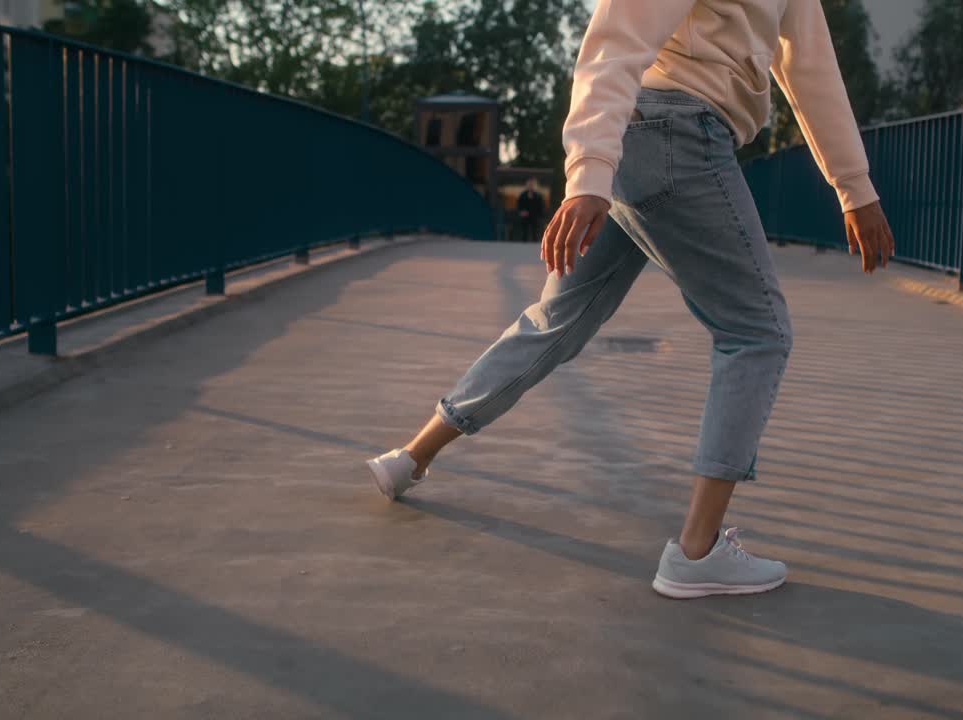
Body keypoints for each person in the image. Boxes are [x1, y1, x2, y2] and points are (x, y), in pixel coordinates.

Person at [367, 0, 895, 599]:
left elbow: (810, 70)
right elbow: (614, 38)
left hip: (643, 137)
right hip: (678, 134)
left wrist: (854, 187)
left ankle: (410, 458)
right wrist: (588, 172)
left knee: (556, 322)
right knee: (757, 331)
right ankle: (697, 552)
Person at [515, 178, 547, 243]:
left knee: (535, 231)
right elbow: (519, 205)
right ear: (526, 185)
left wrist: (540, 214)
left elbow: (540, 206)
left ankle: (534, 243)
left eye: (531, 185)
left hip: (534, 216)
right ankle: (523, 243)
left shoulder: (538, 196)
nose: (530, 186)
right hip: (525, 216)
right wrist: (521, 212)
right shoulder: (522, 195)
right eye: (529, 184)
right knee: (524, 231)